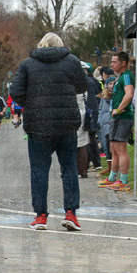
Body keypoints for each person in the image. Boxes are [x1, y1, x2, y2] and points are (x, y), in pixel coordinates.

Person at [9, 32, 85, 231]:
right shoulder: (72, 61)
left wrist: (31, 103)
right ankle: (71, 213)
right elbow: (82, 86)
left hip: (38, 124)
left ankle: (41, 215)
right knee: (69, 168)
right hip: (66, 123)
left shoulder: (28, 64)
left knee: (39, 170)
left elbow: (15, 92)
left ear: (41, 44)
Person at [99, 51, 135, 192]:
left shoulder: (127, 76)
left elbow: (129, 93)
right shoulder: (120, 77)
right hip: (116, 116)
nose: (111, 64)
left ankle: (124, 181)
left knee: (121, 149)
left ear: (123, 63)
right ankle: (113, 177)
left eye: (114, 62)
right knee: (113, 147)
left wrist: (119, 109)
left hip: (123, 116)